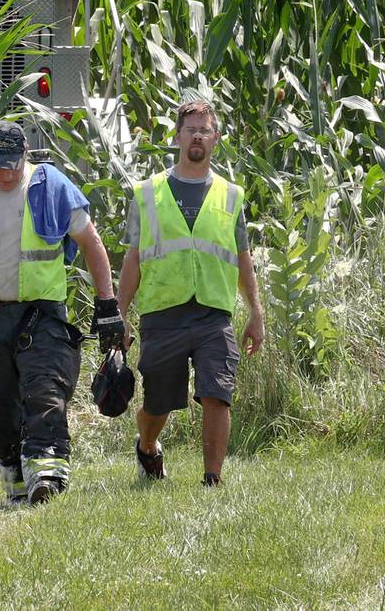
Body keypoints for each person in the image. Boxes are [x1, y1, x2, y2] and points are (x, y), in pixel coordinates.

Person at [0, 120, 122, 505]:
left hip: (41, 313)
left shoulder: (51, 187)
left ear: (25, 156)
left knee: (45, 391)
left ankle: (46, 476)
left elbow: (91, 242)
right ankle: (14, 476)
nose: (5, 173)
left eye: (12, 164)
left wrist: (107, 303)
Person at [117, 93, 264, 486]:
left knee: (218, 391)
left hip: (213, 312)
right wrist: (119, 315)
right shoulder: (146, 193)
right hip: (162, 311)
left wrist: (256, 312)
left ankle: (212, 479)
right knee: (158, 402)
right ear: (178, 137)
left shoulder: (232, 196)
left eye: (206, 130)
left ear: (215, 138)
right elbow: (133, 258)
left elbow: (242, 255)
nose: (198, 136)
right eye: (191, 130)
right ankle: (147, 446)